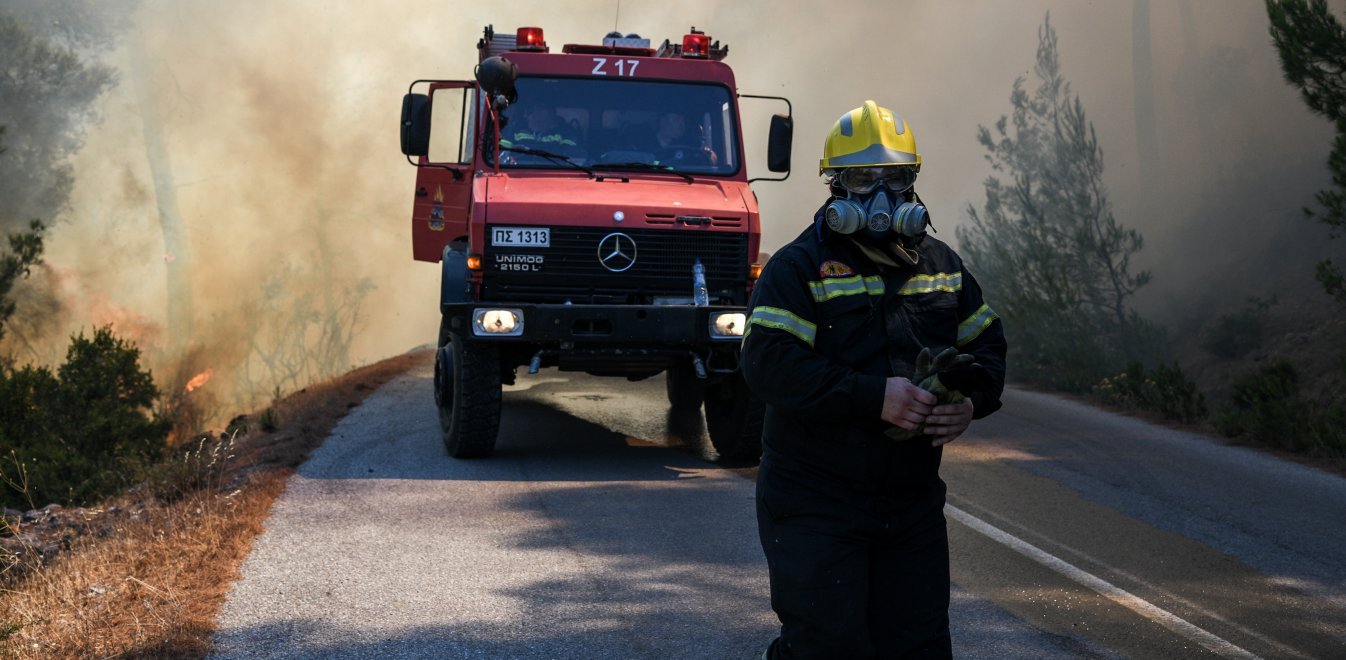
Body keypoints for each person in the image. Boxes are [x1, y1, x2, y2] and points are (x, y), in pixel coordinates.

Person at [741, 100, 1007, 658]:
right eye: (863, 179)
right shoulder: (797, 268)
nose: (881, 196)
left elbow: (984, 345)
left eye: (895, 178)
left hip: (909, 504)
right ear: (836, 185)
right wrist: (872, 397)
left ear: (913, 182)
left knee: (920, 648)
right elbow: (769, 365)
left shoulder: (942, 265)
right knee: (826, 647)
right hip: (815, 501)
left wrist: (971, 401)